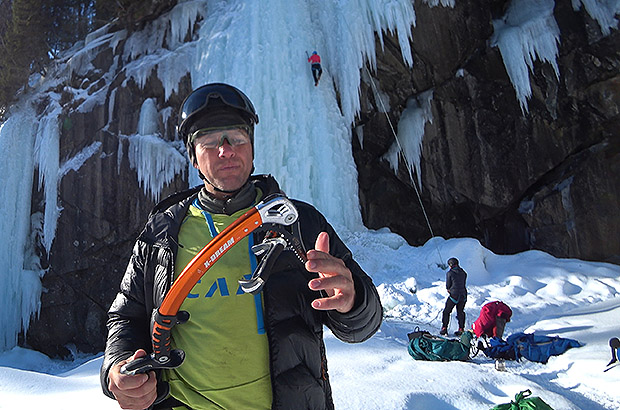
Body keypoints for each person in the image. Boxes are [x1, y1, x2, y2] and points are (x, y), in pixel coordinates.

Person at [100, 82, 383, 410]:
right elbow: (126, 315)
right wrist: (118, 368)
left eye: (236, 138)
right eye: (209, 142)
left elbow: (366, 321)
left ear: (251, 146)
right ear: (193, 157)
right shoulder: (162, 231)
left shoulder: (300, 223)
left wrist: (352, 301)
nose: (226, 150)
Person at [440, 257, 467, 336]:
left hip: (454, 295)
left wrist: (449, 290)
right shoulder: (463, 272)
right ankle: (461, 329)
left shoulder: (450, 273)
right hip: (463, 295)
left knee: (446, 311)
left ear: (451, 265)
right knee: (460, 312)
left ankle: (444, 328)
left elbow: (448, 285)